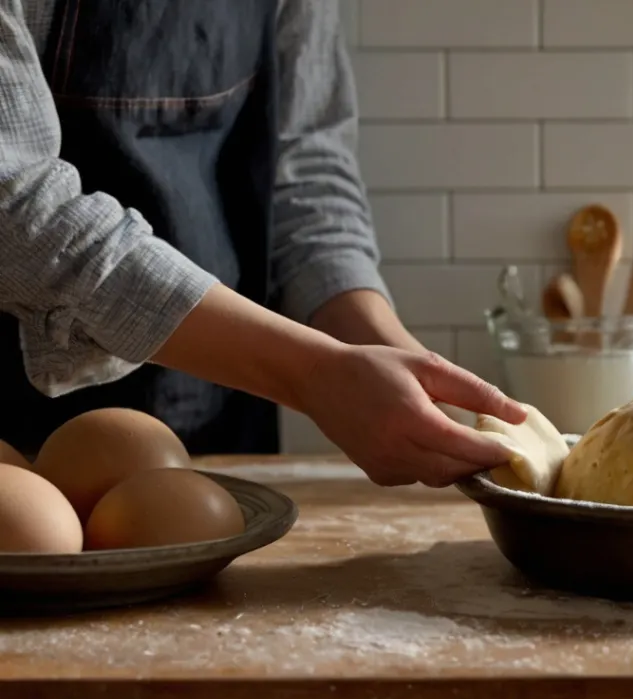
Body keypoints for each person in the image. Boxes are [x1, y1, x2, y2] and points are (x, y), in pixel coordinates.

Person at [0, 0, 524, 486]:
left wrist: (394, 355)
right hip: (19, 425)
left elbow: (305, 174)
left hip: (228, 401)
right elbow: (16, 208)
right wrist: (314, 374)